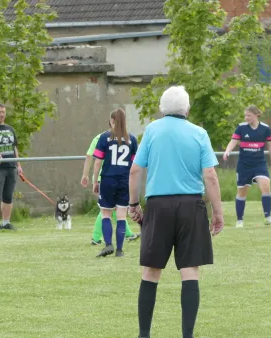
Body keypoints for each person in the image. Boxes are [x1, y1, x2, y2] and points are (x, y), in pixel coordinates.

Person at [128, 85, 224, 338]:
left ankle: (144, 334)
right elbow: (210, 176)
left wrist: (133, 204)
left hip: (158, 206)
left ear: (162, 108)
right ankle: (187, 334)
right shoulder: (199, 133)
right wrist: (218, 212)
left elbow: (136, 170)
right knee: (190, 270)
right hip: (191, 206)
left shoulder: (152, 130)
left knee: (151, 270)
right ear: (187, 108)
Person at [81, 127, 140, 245]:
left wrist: (85, 175)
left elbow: (89, 156)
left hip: (104, 177)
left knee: (112, 208)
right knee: (108, 209)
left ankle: (127, 233)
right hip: (107, 177)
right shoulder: (126, 138)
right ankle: (96, 237)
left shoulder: (100, 137)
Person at [91, 108, 138, 258]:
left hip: (108, 180)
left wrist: (95, 180)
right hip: (124, 181)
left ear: (112, 121)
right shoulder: (132, 139)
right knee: (122, 216)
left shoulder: (104, 138)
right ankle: (119, 251)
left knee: (106, 213)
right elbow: (134, 166)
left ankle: (108, 245)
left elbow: (98, 161)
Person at [223, 105, 271, 228]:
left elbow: (270, 146)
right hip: (244, 165)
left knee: (266, 187)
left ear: (256, 115)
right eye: (245, 115)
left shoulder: (265, 129)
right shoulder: (241, 128)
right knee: (242, 192)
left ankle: (268, 217)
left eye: (248, 115)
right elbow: (233, 141)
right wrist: (228, 150)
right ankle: (239, 221)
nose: (246, 117)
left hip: (259, 164)